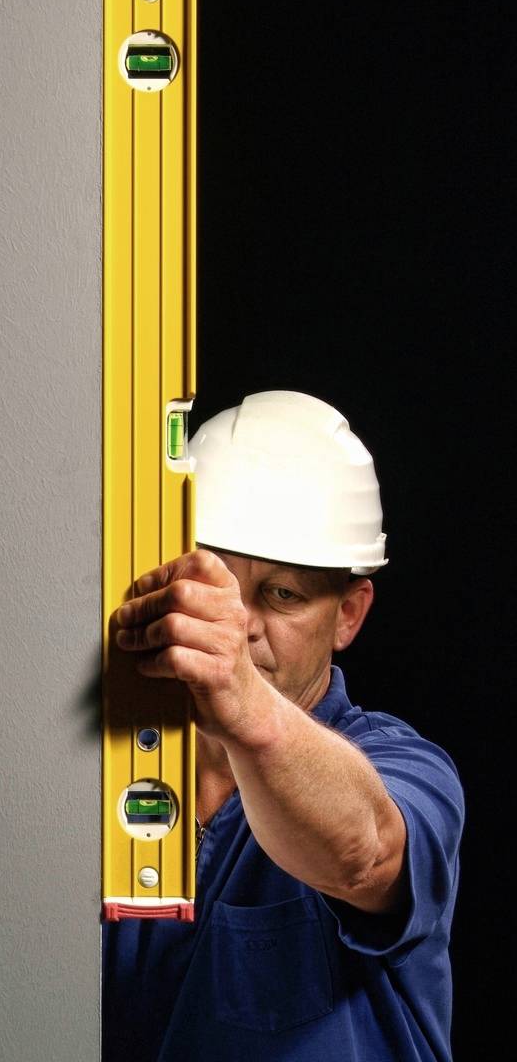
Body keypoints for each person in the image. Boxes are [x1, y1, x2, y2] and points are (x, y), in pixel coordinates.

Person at [102, 390, 464, 1062]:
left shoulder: (406, 768)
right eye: (212, 581)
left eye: (280, 594)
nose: (235, 625)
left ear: (349, 614)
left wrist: (241, 703)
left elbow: (366, 852)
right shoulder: (99, 775)